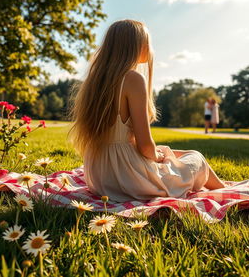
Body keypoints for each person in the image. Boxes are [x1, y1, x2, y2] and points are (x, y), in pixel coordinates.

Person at [70, 19, 225, 203]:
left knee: (173, 152)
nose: (151, 49)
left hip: (100, 177)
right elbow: (145, 146)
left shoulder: (94, 82)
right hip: (129, 179)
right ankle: (226, 191)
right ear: (138, 46)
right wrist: (155, 156)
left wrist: (159, 153)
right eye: (149, 43)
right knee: (196, 158)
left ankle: (224, 187)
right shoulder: (132, 79)